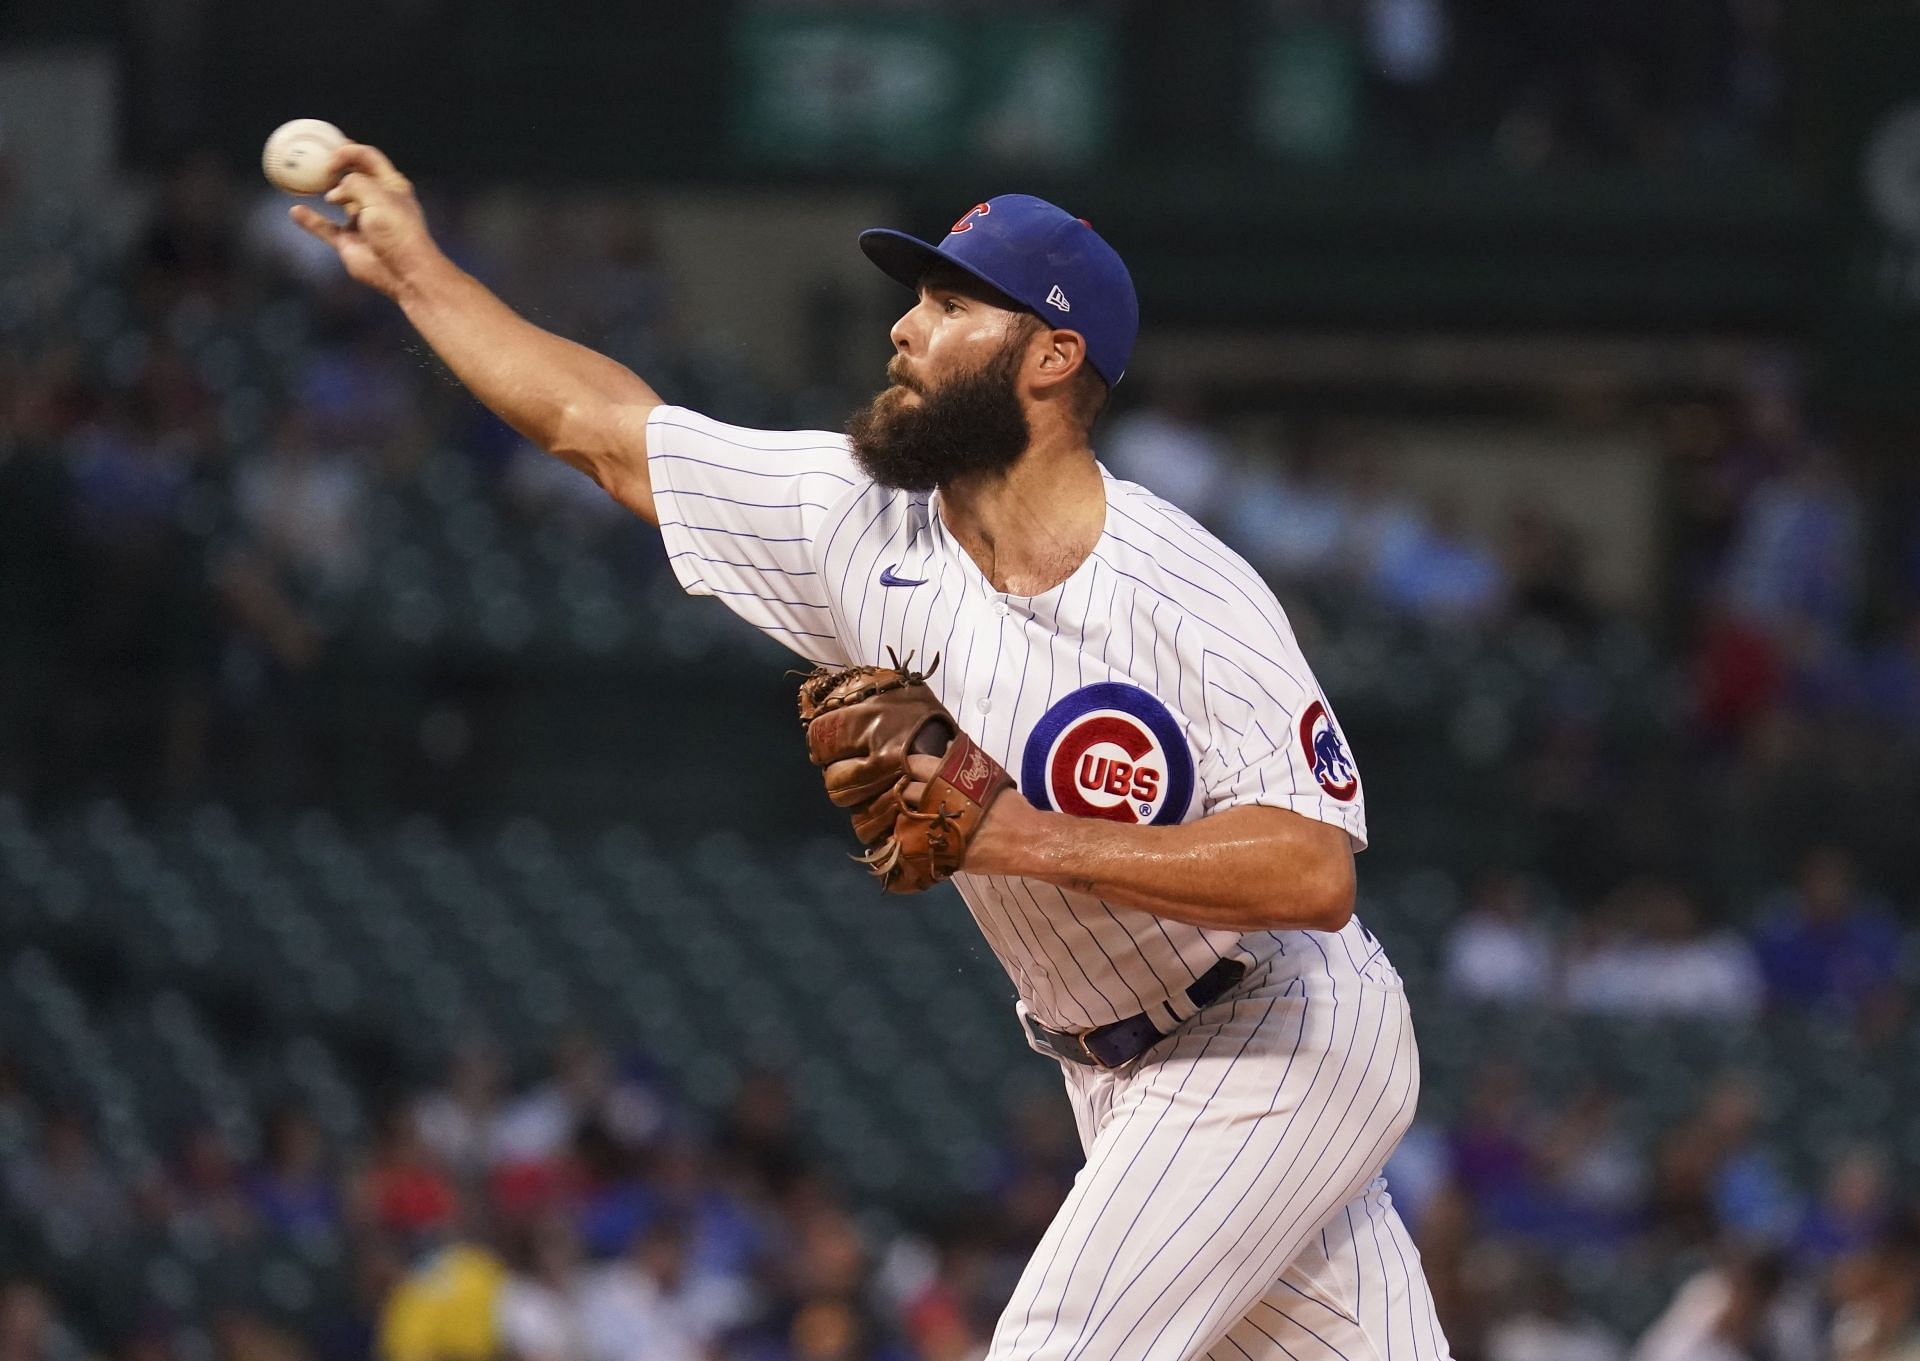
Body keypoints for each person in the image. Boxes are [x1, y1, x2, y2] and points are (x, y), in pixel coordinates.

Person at [294, 144, 1451, 1361]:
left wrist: (1013, 834)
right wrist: (419, 271)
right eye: (915, 298)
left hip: (1277, 1029)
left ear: (1051, 357)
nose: (904, 329)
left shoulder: (1187, 593)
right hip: (1110, 1068)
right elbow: (602, 428)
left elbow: (1313, 872)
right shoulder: (860, 519)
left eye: (952, 306)